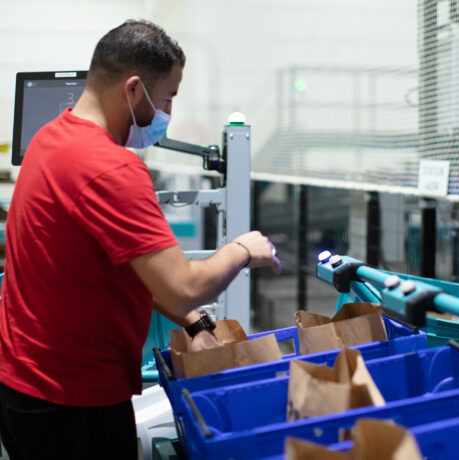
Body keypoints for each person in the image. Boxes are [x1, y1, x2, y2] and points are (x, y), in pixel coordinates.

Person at [0, 20, 280, 459]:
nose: (166, 111)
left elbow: (126, 265)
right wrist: (242, 250)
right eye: (167, 97)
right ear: (133, 90)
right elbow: (182, 285)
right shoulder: (111, 167)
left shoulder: (51, 139)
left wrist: (197, 324)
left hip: (25, 390)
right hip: (72, 402)